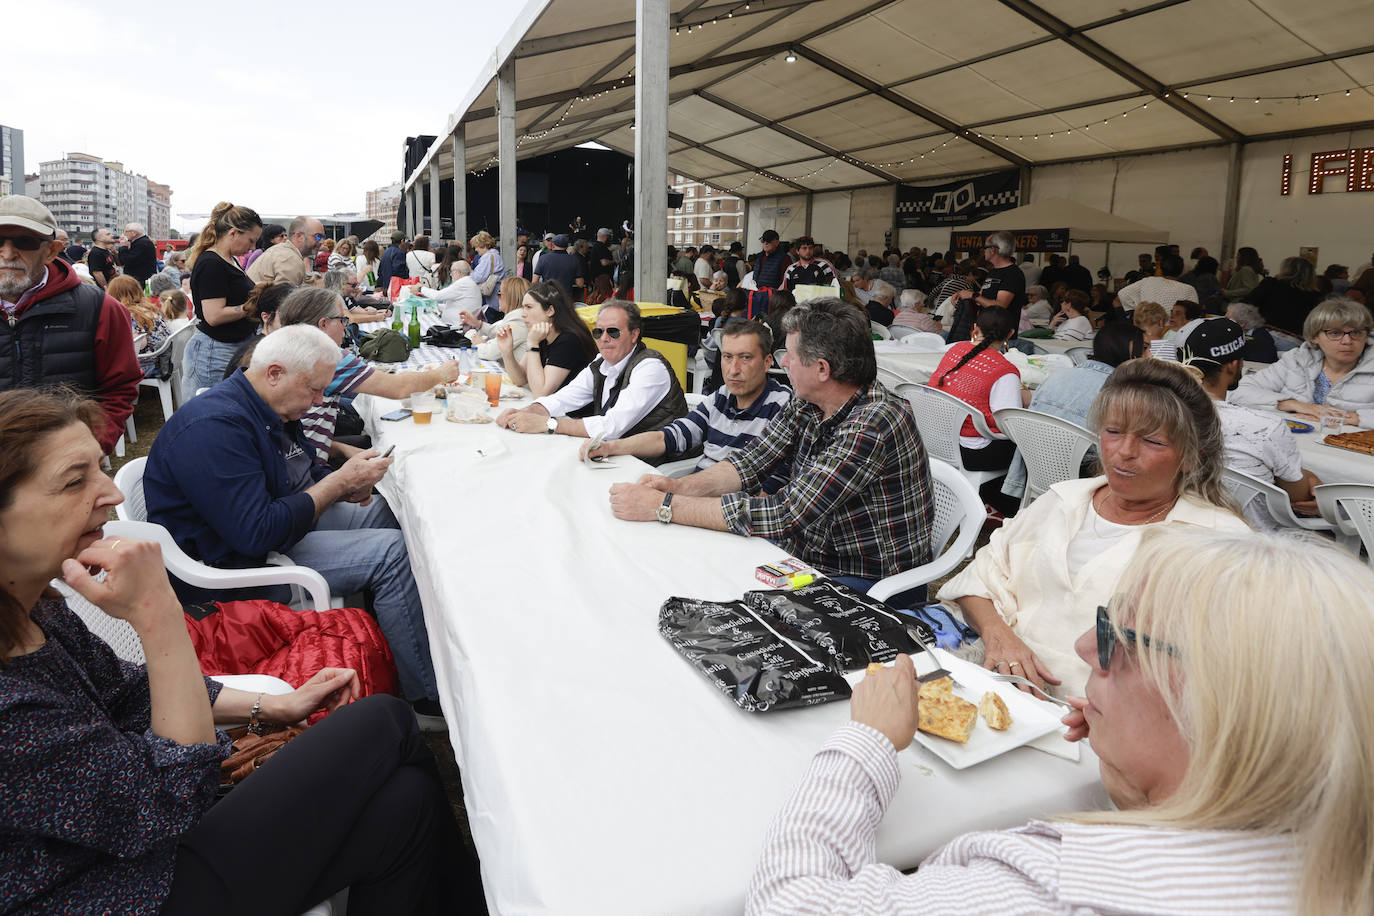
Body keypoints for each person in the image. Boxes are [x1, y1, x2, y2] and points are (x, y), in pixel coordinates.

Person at [0, 389, 482, 915]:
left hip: (131, 849)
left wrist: (275, 707)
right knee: (385, 719)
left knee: (403, 806)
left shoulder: (36, 610)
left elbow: (127, 692)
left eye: (100, 468)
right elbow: (166, 803)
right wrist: (158, 613)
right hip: (114, 889)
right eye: (75, 480)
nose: (110, 495)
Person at [749, 525, 1374, 916]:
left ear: (1222, 704)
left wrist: (866, 744)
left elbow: (790, 902)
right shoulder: (1337, 855)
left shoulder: (1055, 887)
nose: (1082, 649)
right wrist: (1141, 777)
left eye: (1117, 637)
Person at [144, 325, 444, 720]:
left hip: (275, 532)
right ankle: (425, 699)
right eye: (314, 390)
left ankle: (389, 636)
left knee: (386, 510)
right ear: (274, 373)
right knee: (392, 552)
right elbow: (257, 534)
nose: (321, 401)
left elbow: (301, 474)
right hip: (235, 567)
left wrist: (343, 485)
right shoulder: (214, 428)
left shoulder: (268, 407)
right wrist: (337, 483)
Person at [937, 358, 1247, 694]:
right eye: (1113, 432)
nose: (1124, 452)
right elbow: (976, 581)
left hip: (1107, 723)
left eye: (1152, 441)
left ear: (1192, 456)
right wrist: (1000, 636)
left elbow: (1220, 674)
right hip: (1002, 689)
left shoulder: (1218, 544)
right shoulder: (1064, 501)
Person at [604, 298, 935, 598]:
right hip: (806, 555)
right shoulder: (809, 403)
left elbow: (786, 512)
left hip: (865, 578)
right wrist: (676, 487)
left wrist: (665, 506)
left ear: (822, 369)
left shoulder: (875, 423)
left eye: (789, 356)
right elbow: (749, 462)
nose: (784, 363)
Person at [0, 196, 141, 454]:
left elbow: (119, 390)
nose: (8, 254)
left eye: (25, 241)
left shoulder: (100, 309)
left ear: (51, 250)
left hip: (65, 467)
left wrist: (86, 450)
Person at [584, 320, 793, 487]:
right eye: (727, 357)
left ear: (767, 363)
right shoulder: (721, 396)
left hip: (732, 511)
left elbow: (775, 483)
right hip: (693, 493)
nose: (733, 369)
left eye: (745, 358)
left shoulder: (782, 404)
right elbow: (668, 437)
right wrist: (610, 447)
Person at [270, 287, 460, 462]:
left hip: (294, 461)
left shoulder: (278, 350)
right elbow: (399, 388)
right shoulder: (325, 357)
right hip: (309, 475)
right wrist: (442, 373)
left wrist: (340, 448)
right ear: (323, 324)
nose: (346, 327)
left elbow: (300, 434)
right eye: (342, 320)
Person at [1182, 318, 1321, 530]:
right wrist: (1309, 477)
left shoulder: (1158, 413)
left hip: (1178, 533)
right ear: (1233, 365)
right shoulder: (1265, 427)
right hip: (1253, 544)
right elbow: (1299, 497)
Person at [496, 300, 688, 444]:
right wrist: (527, 412)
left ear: (634, 334)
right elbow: (564, 398)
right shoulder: (601, 362)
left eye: (613, 332)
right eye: (598, 332)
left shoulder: (650, 368)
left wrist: (548, 424)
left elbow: (612, 427)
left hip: (652, 465)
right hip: (613, 453)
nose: (604, 339)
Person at [1000, 322, 1146, 501]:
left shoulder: (1055, 377)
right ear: (1131, 350)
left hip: (1037, 472)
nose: (1150, 355)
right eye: (1145, 348)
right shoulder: (1121, 393)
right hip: (1083, 481)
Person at [1230, 298, 1374, 426]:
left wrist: (1351, 418)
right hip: (1296, 443)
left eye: (1356, 333)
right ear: (1314, 336)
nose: (1347, 341)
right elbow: (1238, 390)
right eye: (1335, 333)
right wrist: (1293, 404)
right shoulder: (1297, 360)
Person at [182, 202, 263, 396]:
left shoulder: (228, 259)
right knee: (210, 410)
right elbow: (214, 316)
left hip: (226, 349)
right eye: (251, 241)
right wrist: (250, 306)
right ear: (233, 233)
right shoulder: (212, 263)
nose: (252, 248)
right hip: (215, 352)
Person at [930, 307, 1024, 473]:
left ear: (975, 328)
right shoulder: (1003, 370)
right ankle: (1005, 497)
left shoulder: (956, 349)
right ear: (1010, 334)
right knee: (1030, 446)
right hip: (972, 451)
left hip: (937, 437)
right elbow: (1008, 424)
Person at [498, 280, 596, 396]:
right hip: (555, 410)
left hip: (574, 413)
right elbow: (520, 379)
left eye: (529, 307)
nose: (523, 314)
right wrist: (507, 352)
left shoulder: (569, 340)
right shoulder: (542, 336)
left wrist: (533, 345)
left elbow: (541, 393)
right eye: (523, 307)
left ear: (550, 310)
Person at [947, 231, 1025, 342]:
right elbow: (982, 298)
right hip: (984, 334)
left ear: (993, 250)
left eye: (985, 247)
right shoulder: (993, 272)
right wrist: (964, 294)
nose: (983, 251)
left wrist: (972, 295)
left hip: (1001, 338)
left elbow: (1000, 306)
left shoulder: (1012, 274)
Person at [108, 275, 172, 377]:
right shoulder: (148, 307)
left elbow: (140, 343)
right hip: (164, 358)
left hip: (150, 364)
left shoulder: (129, 314)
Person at [1247, 255, 1322, 335]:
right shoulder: (1315, 295)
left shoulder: (1271, 284)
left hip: (1266, 332)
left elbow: (1246, 304)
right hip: (1297, 338)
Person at [465, 276, 530, 364]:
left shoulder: (518, 321)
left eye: (499, 293)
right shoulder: (519, 317)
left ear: (509, 297)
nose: (497, 297)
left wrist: (478, 344)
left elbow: (490, 353)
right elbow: (497, 331)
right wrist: (479, 324)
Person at [248, 216, 323, 286]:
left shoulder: (283, 251)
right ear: (299, 236)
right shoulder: (290, 258)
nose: (321, 241)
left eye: (323, 237)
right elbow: (283, 297)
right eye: (318, 237)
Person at [1115, 253, 1194, 313]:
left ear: (1161, 268)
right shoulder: (1188, 289)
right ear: (1181, 269)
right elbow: (1194, 312)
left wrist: (1140, 310)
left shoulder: (1148, 281)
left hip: (1149, 326)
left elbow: (1122, 294)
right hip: (1175, 329)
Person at [419, 258, 482, 324]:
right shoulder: (467, 282)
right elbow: (453, 306)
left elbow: (437, 295)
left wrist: (420, 288)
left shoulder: (463, 283)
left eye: (451, 271)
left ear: (459, 272)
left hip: (457, 326)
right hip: (459, 323)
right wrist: (434, 305)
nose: (450, 274)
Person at [531, 233, 583, 300]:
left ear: (553, 245)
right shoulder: (574, 260)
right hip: (566, 299)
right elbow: (580, 283)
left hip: (548, 297)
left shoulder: (543, 258)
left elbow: (534, 282)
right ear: (567, 246)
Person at [468, 231, 505, 321]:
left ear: (483, 245)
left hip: (491, 301)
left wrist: (468, 274)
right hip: (498, 297)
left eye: (476, 246)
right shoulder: (496, 255)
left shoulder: (488, 257)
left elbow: (478, 277)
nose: (476, 249)